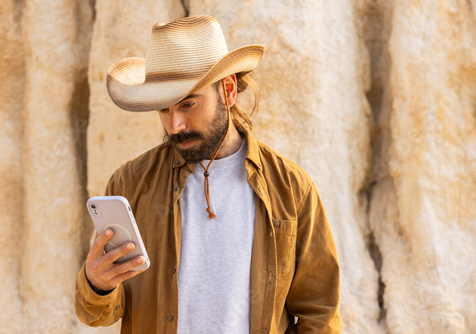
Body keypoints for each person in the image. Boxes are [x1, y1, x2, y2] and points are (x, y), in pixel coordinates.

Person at [75, 14, 341, 333]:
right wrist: (96, 284)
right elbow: (98, 314)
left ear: (227, 91)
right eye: (164, 109)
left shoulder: (291, 188)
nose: (175, 125)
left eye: (188, 105)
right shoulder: (130, 183)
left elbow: (320, 311)